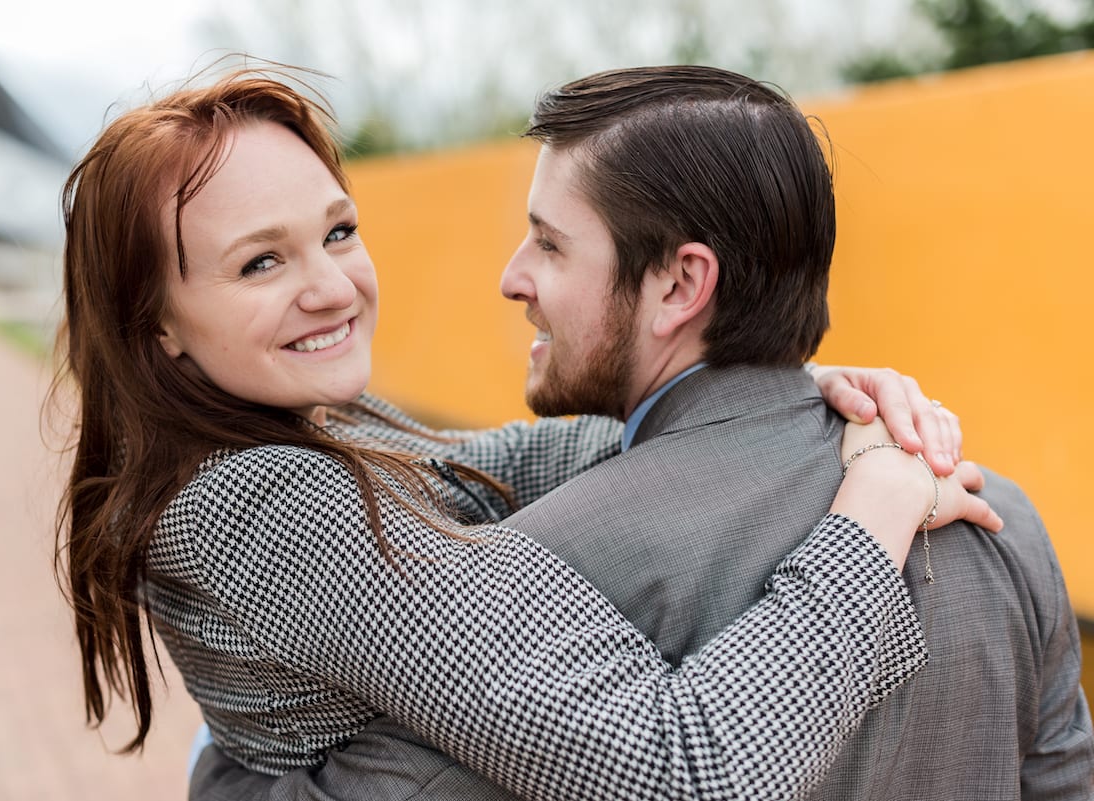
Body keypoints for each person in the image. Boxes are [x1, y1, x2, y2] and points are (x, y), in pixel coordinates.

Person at [53, 67, 1001, 801]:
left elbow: (480, 469)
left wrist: (794, 395)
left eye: (338, 232)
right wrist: (873, 512)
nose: (333, 287)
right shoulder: (258, 508)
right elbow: (689, 770)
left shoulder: (299, 424)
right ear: (156, 322)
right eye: (261, 261)